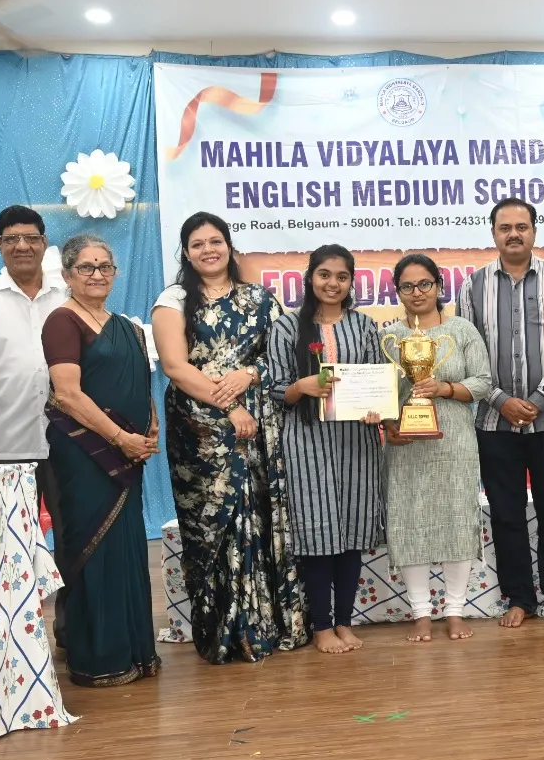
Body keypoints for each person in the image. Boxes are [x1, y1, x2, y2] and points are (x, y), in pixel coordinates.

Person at [153, 212, 306, 662]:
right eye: (197, 244)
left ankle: (266, 625)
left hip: (259, 424)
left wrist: (250, 373)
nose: (208, 250)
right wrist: (229, 405)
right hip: (201, 428)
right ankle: (225, 630)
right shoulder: (174, 300)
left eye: (215, 241)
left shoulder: (259, 298)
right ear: (186, 253)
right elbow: (176, 367)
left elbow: (285, 354)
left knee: (261, 515)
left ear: (229, 246)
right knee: (215, 522)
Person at [457, 198, 544, 629]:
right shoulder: (472, 286)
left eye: (522, 226)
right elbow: (466, 351)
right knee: (506, 513)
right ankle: (519, 598)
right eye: (505, 227)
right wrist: (500, 400)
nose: (514, 234)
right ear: (493, 232)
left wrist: (539, 400)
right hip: (494, 423)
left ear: (534, 230)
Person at [40, 235, 158, 687]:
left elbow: (141, 385)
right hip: (85, 455)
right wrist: (120, 438)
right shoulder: (62, 321)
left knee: (126, 545)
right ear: (68, 274)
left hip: (129, 453)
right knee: (93, 545)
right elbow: (68, 394)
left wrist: (149, 428)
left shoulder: (128, 327)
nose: (97, 275)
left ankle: (134, 651)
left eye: (105, 266)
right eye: (86, 267)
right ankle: (99, 657)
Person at [270, 244, 386, 654]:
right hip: (307, 440)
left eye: (341, 276)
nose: (332, 283)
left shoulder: (365, 326)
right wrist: (301, 386)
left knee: (352, 530)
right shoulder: (287, 327)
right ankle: (321, 626)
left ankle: (344, 622)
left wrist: (377, 409)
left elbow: (377, 381)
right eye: (324, 275)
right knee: (317, 530)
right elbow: (276, 390)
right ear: (310, 278)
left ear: (351, 282)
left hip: (357, 441)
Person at [0, 206, 70, 640]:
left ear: (44, 243)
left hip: (68, 442)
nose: (22, 246)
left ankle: (70, 629)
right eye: (11, 239)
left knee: (71, 538)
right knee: (9, 543)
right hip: (4, 444)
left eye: (31, 238)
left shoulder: (69, 293)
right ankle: (14, 634)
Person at [382, 254, 493, 641]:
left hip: (455, 439)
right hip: (406, 444)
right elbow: (380, 392)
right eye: (408, 286)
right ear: (398, 291)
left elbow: (483, 381)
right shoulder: (388, 337)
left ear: (440, 286)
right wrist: (388, 424)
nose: (417, 292)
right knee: (408, 520)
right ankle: (421, 614)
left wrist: (444, 388)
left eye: (425, 284)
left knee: (456, 519)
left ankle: (455, 611)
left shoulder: (462, 330)